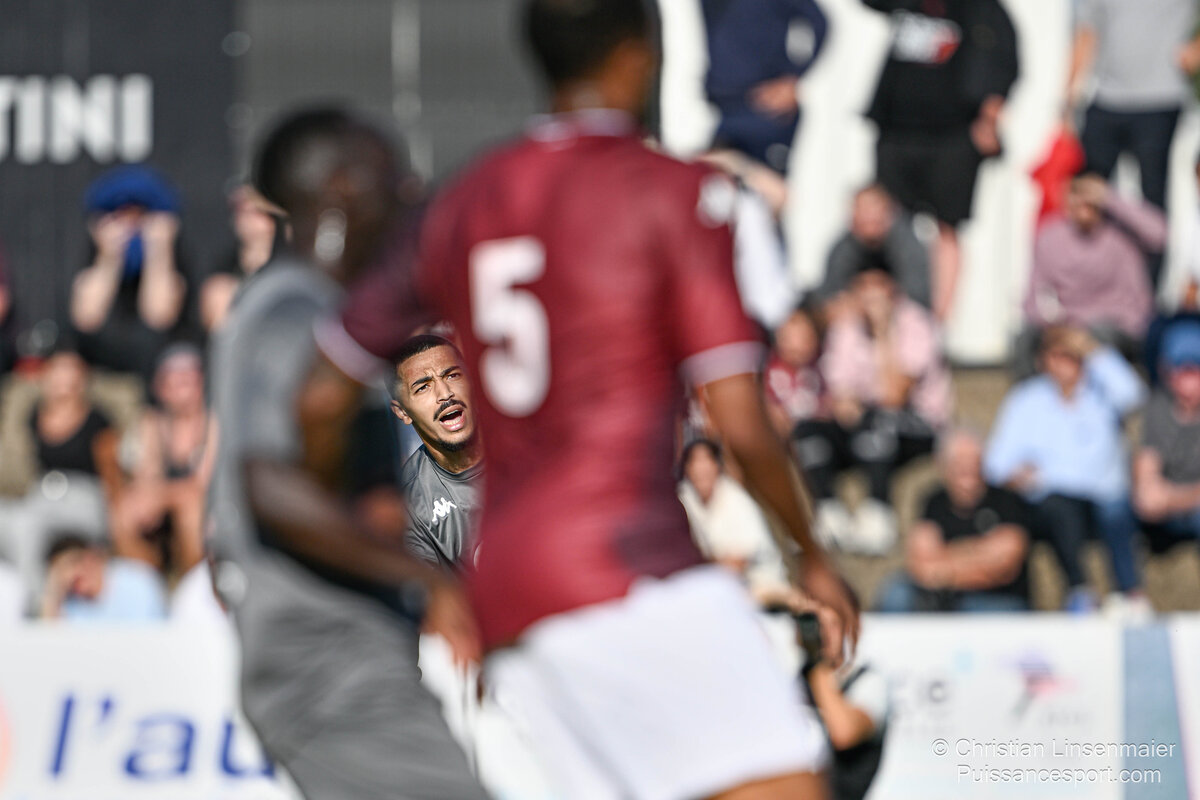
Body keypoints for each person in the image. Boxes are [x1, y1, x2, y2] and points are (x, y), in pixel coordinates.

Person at [305, 2, 859, 797]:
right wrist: (812, 555)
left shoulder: (464, 200)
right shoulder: (677, 192)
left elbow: (322, 397)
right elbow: (739, 418)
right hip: (628, 561)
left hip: (506, 590)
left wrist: (378, 559)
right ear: (640, 53)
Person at [206, 108, 488, 800]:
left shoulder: (322, 316)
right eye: (392, 175)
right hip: (327, 669)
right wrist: (433, 583)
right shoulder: (295, 313)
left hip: (348, 659)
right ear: (342, 187)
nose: (410, 192)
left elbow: (344, 495)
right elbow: (270, 486)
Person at [861, 0, 1019, 320]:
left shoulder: (984, 8)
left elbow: (1006, 63)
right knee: (891, 224)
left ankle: (935, 324)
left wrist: (990, 118)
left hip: (954, 134)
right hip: (897, 128)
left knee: (947, 227)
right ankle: (891, 318)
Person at [984, 326, 1147, 614]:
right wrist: (1018, 476)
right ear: (1042, 359)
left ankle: (1129, 592)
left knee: (1116, 510)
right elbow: (996, 463)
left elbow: (1134, 395)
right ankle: (1079, 590)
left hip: (1104, 495)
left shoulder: (1102, 392)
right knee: (1060, 509)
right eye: (1057, 355)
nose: (1065, 363)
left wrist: (1093, 349)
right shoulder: (1027, 400)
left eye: (1072, 355)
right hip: (1054, 498)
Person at [798, 267, 952, 554]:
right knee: (808, 430)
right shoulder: (847, 327)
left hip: (920, 425)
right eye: (862, 288)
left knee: (878, 420)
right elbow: (839, 392)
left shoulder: (917, 323)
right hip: (865, 422)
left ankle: (879, 512)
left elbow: (895, 395)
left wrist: (883, 332)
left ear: (893, 291)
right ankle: (829, 511)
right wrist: (845, 403)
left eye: (877, 288)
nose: (870, 298)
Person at [1066, 0, 1200, 288]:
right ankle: (1092, 288)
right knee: (1089, 195)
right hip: (1104, 96)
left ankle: (1147, 295)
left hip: (1161, 97)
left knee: (1153, 202)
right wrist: (1067, 97)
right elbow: (1087, 31)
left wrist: (1196, 48)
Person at [1, 351, 122, 604]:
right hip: (39, 496)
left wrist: (114, 526)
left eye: (70, 370)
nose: (63, 379)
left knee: (27, 526)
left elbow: (112, 476)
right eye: (57, 370)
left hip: (83, 498)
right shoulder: (30, 415)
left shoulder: (97, 420)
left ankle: (33, 605)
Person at [1019, 173, 1164, 374]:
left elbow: (1161, 235)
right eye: (1077, 193)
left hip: (1118, 325)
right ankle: (1032, 394)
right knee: (1024, 339)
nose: (1084, 201)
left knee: (1100, 336)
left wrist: (1111, 198)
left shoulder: (1123, 233)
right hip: (1066, 325)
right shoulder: (1050, 237)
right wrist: (1053, 327)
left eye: (1089, 194)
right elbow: (1033, 295)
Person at [876, 427, 1031, 613]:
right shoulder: (934, 502)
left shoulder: (1006, 501)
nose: (969, 475)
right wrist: (979, 553)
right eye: (960, 466)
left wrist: (944, 563)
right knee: (897, 592)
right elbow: (920, 562)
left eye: (974, 464)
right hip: (943, 598)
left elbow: (1004, 565)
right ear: (944, 467)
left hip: (994, 598)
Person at [70, 166, 196, 376]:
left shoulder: (175, 262)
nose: (130, 228)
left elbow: (159, 316)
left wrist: (158, 252)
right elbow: (87, 318)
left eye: (139, 217)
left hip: (156, 374)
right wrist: (109, 259)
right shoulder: (92, 261)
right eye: (122, 218)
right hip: (101, 374)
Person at [113, 344, 216, 575]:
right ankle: (146, 583)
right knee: (125, 511)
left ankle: (194, 582)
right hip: (171, 497)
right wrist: (153, 495)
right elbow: (145, 477)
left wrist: (166, 496)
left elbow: (203, 483)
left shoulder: (212, 422)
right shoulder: (151, 422)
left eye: (189, 379)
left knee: (191, 513)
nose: (182, 387)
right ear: (160, 387)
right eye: (174, 380)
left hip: (206, 502)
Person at [390, 334, 484, 571]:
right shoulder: (408, 505)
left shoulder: (527, 446)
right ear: (402, 412)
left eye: (452, 375)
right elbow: (432, 588)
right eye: (423, 387)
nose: (444, 394)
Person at [702, 0, 829, 173]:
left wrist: (792, 77)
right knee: (708, 182)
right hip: (712, 105)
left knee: (764, 183)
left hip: (763, 106)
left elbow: (818, 22)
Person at [678, 439, 792, 603]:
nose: (701, 469)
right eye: (694, 462)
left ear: (716, 465)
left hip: (762, 590)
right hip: (718, 590)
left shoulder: (737, 499)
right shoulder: (685, 499)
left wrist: (702, 564)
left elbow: (738, 563)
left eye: (706, 460)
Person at [1134, 321, 1200, 545]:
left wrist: (1171, 497)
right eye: (1181, 368)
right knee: (1115, 510)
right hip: (1167, 517)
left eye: (1194, 369)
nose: (1188, 379)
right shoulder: (1156, 408)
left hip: (1187, 509)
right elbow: (1147, 496)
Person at [816, 184, 931, 310]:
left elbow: (918, 294)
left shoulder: (907, 245)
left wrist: (884, 294)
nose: (867, 216)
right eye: (862, 210)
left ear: (888, 212)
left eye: (872, 210)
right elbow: (830, 296)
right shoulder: (843, 249)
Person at [200, 185, 289, 333]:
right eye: (240, 208)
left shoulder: (294, 270)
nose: (246, 216)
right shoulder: (223, 277)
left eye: (259, 210)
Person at [38, 534, 166, 623]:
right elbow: (53, 641)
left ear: (91, 557)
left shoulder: (137, 580)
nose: (68, 576)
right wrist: (52, 596)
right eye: (59, 573)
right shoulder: (72, 604)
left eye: (72, 564)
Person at [765, 302, 828, 439]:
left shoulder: (818, 370)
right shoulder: (767, 372)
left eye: (808, 337)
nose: (801, 345)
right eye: (791, 338)